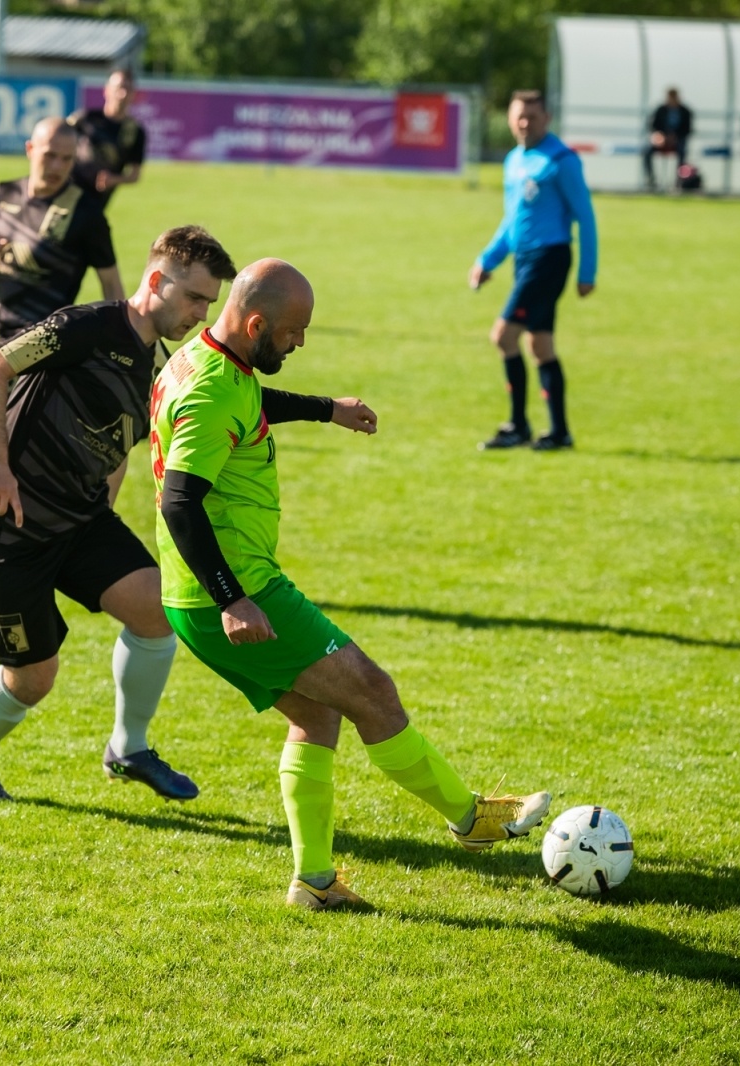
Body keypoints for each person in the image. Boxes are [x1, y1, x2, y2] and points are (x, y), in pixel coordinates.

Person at [150, 258, 553, 910]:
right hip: (236, 591)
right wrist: (234, 598)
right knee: (373, 691)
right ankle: (472, 819)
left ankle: (314, 883)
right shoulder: (212, 391)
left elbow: (244, 404)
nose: (299, 343)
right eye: (291, 333)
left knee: (316, 717)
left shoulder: (203, 359)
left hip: (194, 595)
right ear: (255, 322)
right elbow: (179, 503)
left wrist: (323, 410)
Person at [0, 226, 237, 803]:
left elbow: (124, 444)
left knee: (155, 610)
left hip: (78, 519)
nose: (201, 313)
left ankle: (129, 748)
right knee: (33, 679)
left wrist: (106, 500)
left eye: (210, 303)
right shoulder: (86, 326)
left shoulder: (159, 366)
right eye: (195, 297)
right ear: (156, 281)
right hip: (5, 524)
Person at [470, 90, 597, 452]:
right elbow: (512, 222)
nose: (525, 123)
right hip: (526, 259)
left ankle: (518, 426)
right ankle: (559, 432)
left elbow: (585, 217)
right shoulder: (513, 160)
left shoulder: (561, 160)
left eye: (533, 117)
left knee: (503, 336)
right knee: (540, 345)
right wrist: (487, 261)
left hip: (549, 259)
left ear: (548, 118)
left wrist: (588, 271)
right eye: (519, 116)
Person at [0, 118, 124, 344]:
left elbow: (111, 283)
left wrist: (121, 339)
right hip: (5, 339)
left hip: (47, 344)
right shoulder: (1, 195)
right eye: (50, 156)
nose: (57, 167)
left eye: (67, 159)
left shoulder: (86, 213)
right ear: (30, 149)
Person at [68, 68, 147, 210]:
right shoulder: (85, 118)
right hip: (69, 189)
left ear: (134, 94)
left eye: (127, 89)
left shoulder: (135, 131)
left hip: (97, 201)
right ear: (106, 90)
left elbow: (135, 175)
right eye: (118, 88)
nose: (122, 94)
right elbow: (58, 136)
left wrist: (114, 179)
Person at [643, 88, 693, 191]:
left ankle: (679, 181)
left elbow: (688, 129)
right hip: (662, 140)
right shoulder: (661, 110)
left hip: (678, 140)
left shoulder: (685, 111)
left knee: (682, 152)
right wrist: (660, 136)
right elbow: (652, 126)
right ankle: (651, 179)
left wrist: (675, 136)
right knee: (647, 152)